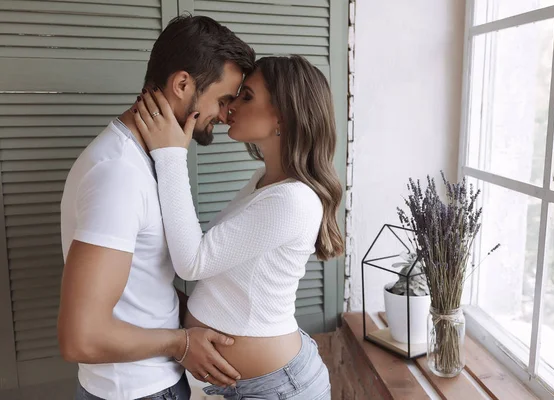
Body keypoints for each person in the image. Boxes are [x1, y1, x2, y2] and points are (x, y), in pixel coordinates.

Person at [58, 15, 255, 400]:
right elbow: (80, 338)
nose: (227, 113)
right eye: (223, 99)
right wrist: (181, 344)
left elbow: (144, 283)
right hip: (135, 391)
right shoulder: (119, 174)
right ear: (183, 84)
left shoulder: (144, 160)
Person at [132, 55, 344, 400]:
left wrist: (171, 155)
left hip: (279, 389)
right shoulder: (265, 181)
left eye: (247, 97)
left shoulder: (292, 200)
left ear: (283, 117)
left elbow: (192, 262)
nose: (230, 107)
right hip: (258, 386)